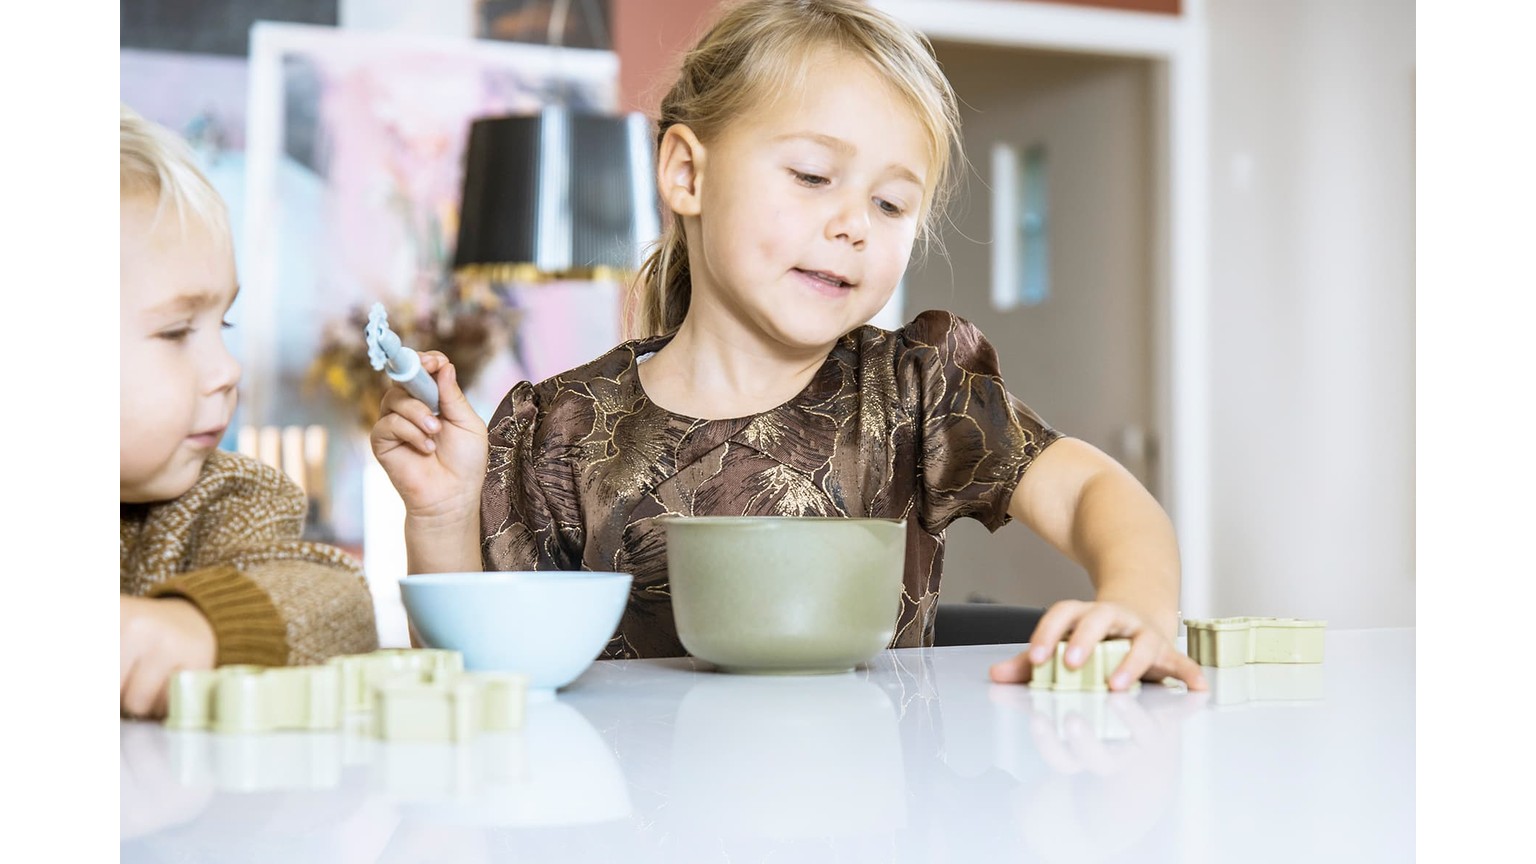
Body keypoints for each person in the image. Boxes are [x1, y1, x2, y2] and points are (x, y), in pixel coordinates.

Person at [372, 0, 1205, 691]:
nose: (851, 224)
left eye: (889, 205)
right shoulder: (556, 428)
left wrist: (1137, 601)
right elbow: (470, 680)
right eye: (812, 176)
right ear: (686, 175)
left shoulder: (916, 392)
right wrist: (442, 514)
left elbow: (1096, 489)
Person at [120, 104, 380, 718]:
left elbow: (338, 607)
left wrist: (197, 628)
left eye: (223, 323)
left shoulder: (222, 501)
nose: (227, 368)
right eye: (178, 331)